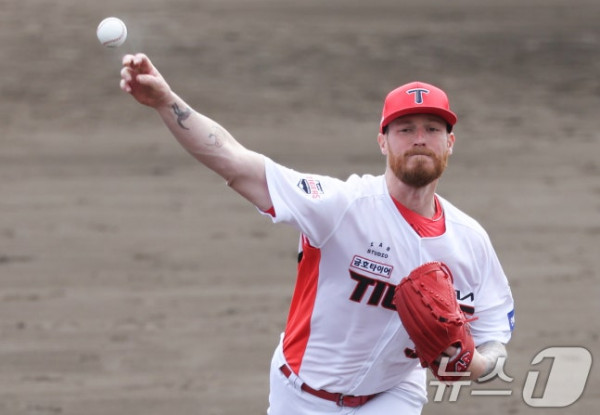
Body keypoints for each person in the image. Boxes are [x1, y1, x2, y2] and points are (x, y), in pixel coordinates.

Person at [119, 53, 515, 414]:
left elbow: (496, 337)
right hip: (301, 395)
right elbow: (235, 162)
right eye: (405, 129)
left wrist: (477, 365)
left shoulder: (470, 241)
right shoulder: (340, 206)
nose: (419, 139)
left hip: (394, 395)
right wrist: (166, 101)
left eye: (432, 128)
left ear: (450, 143)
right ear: (382, 141)